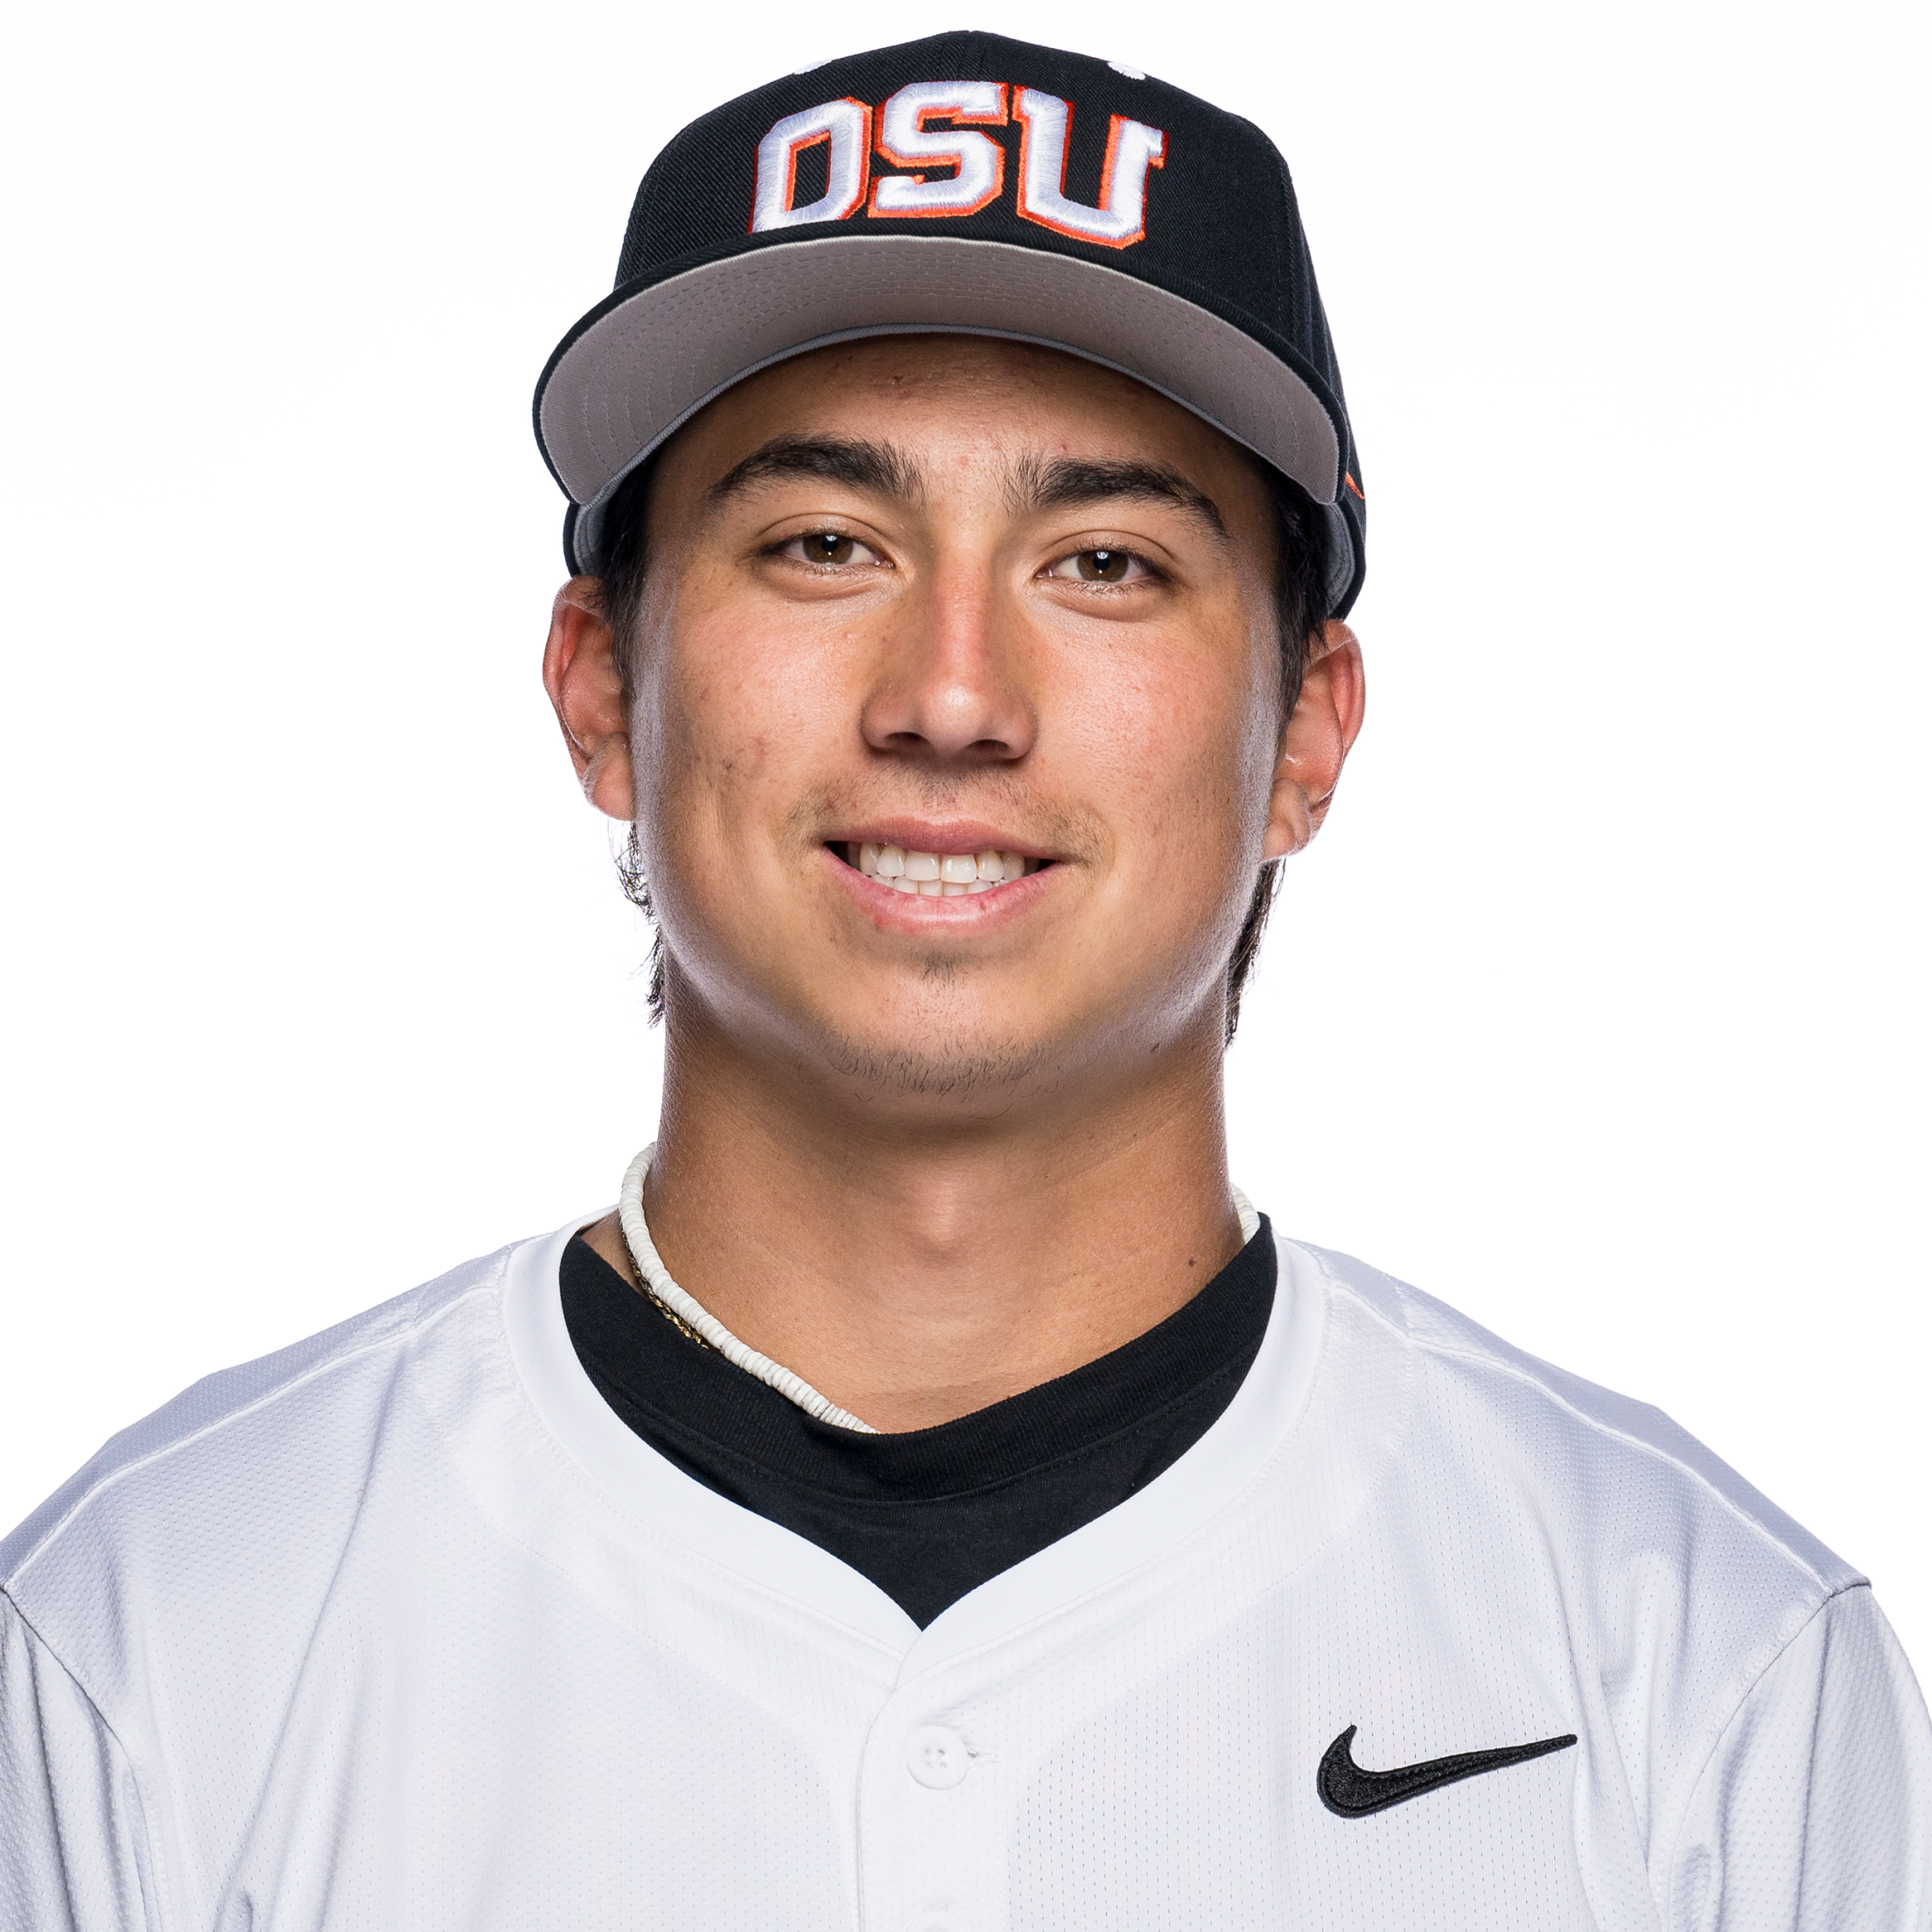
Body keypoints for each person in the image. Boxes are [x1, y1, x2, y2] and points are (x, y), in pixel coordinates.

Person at [3, 27, 1927, 1928]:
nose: (952, 699)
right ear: (603, 685)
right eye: (824, 541)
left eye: (1104, 564)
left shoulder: (1706, 1681)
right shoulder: (144, 1648)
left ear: (1308, 736)